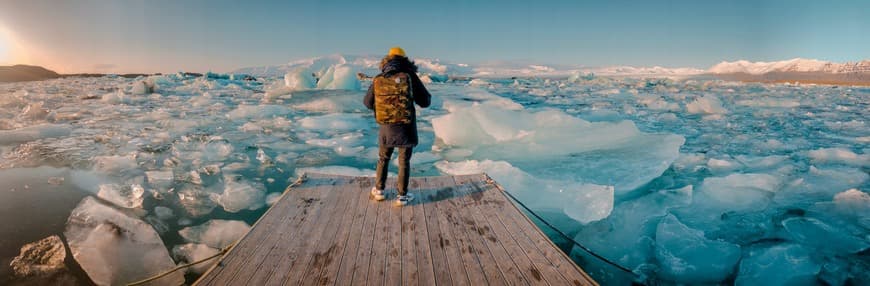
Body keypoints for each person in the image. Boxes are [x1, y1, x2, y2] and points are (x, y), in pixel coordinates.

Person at [364, 47, 432, 206]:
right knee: (404, 162)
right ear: (405, 59)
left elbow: (367, 102)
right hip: (406, 127)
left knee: (383, 158)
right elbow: (425, 102)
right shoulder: (409, 76)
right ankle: (402, 196)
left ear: (388, 59)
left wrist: (383, 108)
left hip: (386, 127)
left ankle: (379, 191)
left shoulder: (379, 77)